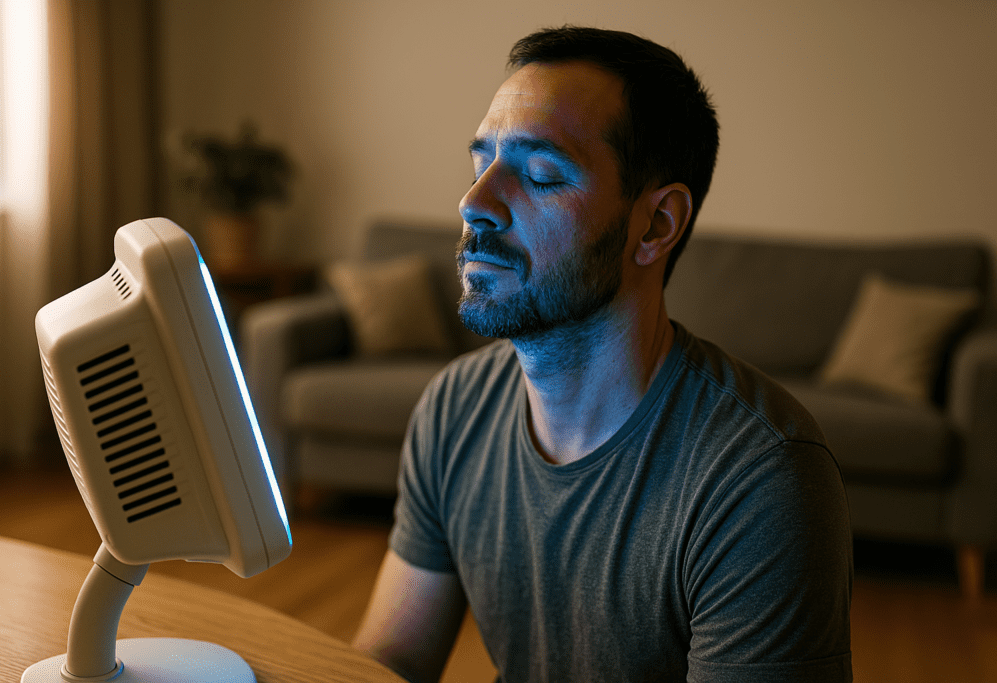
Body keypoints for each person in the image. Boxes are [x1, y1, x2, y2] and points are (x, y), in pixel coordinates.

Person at [352, 26, 853, 683]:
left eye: (540, 174)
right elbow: (391, 660)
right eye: (481, 165)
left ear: (656, 225)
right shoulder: (454, 409)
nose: (473, 204)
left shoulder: (758, 478)